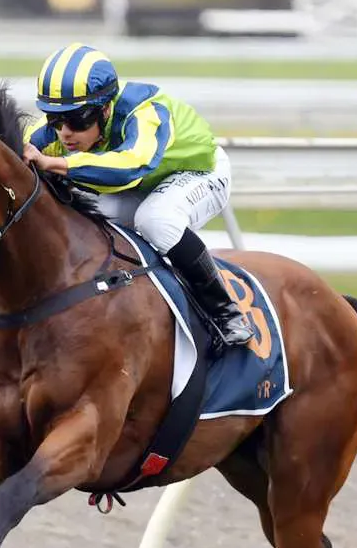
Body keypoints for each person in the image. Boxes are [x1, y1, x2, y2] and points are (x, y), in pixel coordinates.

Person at [22, 43, 254, 347]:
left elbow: (133, 165)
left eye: (78, 119)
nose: (64, 133)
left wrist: (58, 164)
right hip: (142, 186)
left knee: (155, 219)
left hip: (197, 172)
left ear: (106, 109)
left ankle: (225, 312)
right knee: (84, 218)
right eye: (55, 119)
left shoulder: (144, 111)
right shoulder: (51, 134)